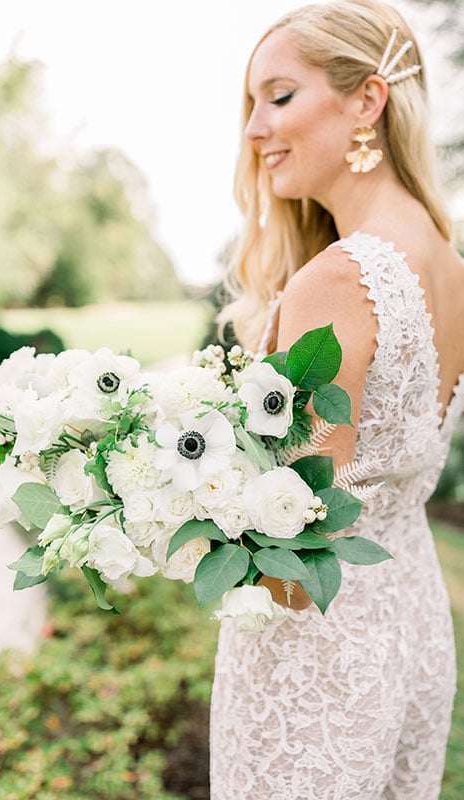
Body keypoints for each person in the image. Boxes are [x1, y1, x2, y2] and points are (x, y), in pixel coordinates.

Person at [210, 0, 464, 797]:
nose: (255, 129)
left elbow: (294, 541)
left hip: (313, 663)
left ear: (367, 100)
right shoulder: (448, 265)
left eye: (279, 96)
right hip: (412, 631)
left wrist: (161, 506)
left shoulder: (338, 279)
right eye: (252, 104)